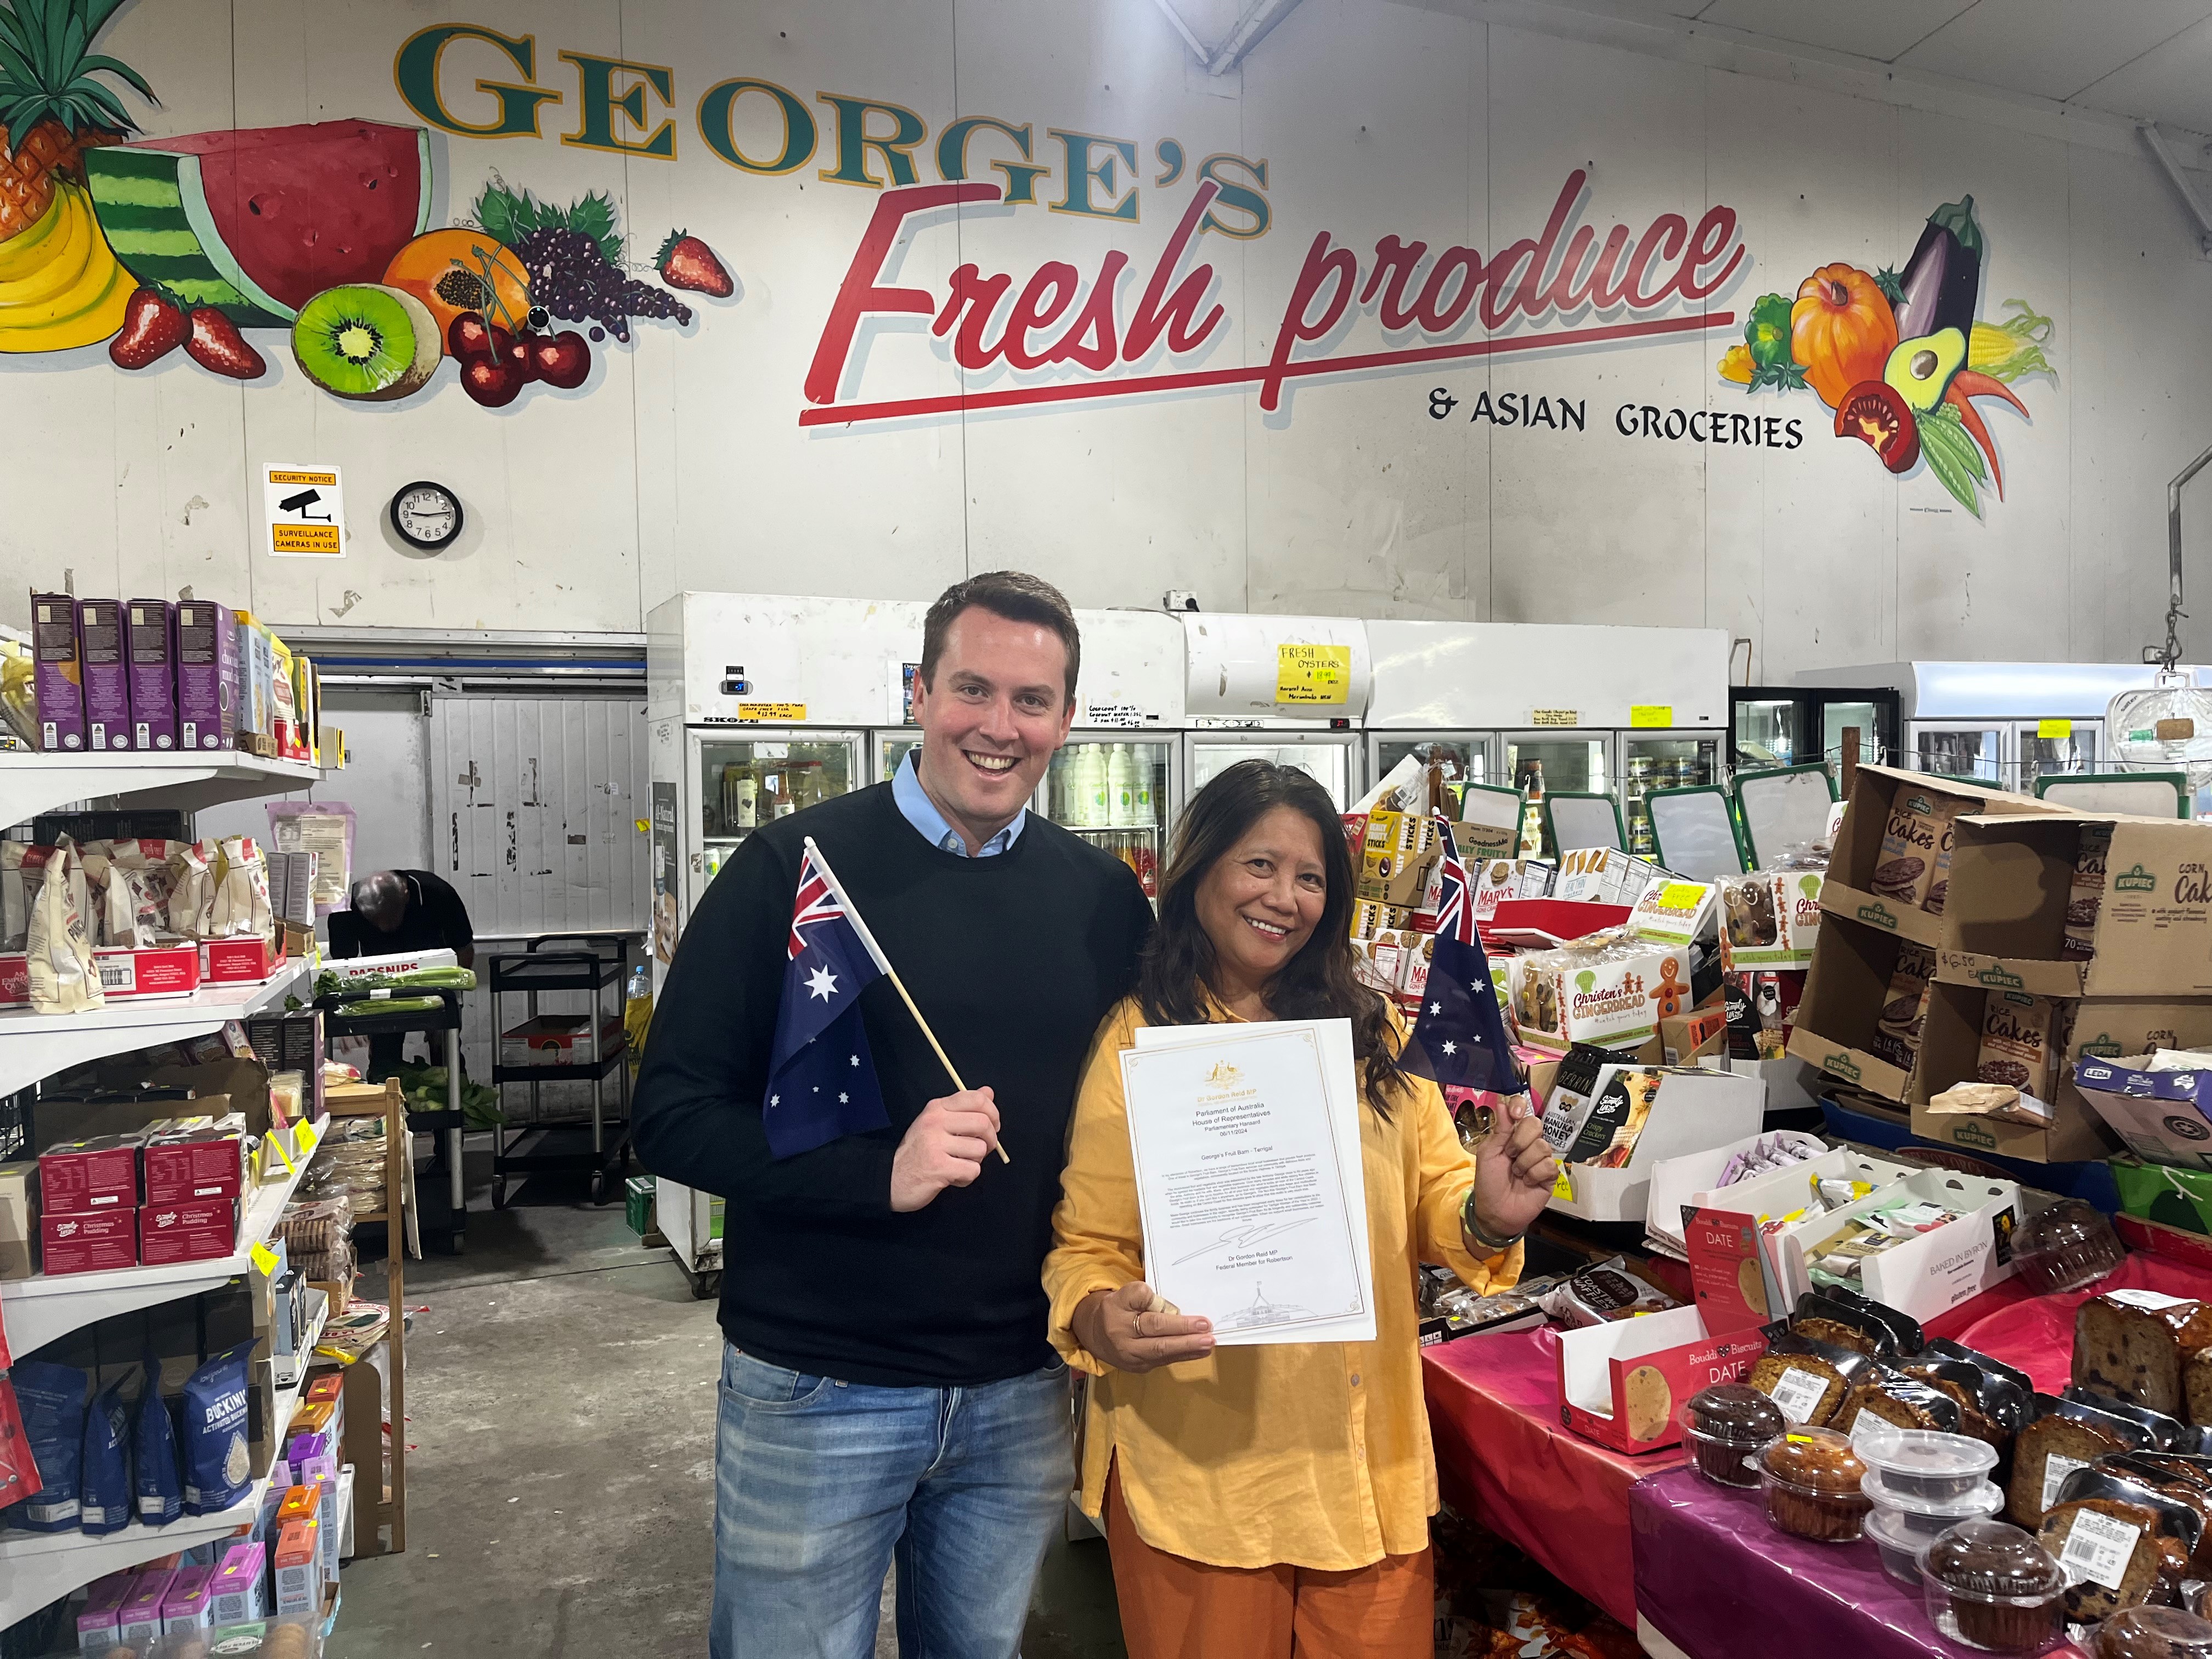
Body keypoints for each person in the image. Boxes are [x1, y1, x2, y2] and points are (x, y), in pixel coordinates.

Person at [632, 571, 1155, 1659]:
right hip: (820, 1384)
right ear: (919, 691)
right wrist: (875, 1171)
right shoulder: (792, 868)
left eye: (1031, 701)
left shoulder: (1103, 898)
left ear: (1067, 719)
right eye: (973, 689)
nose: (998, 727)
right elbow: (671, 1118)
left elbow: (1155, 1103)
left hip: (1023, 1384)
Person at [1042, 759, 1559, 1659]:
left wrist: (1491, 1213)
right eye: (1259, 865)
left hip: (1365, 1468)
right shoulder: (1139, 1039)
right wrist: (1099, 1314)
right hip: (1199, 1476)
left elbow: (1438, 1199)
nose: (1285, 896)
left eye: (1311, 875)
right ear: (1198, 868)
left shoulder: (1375, 1034)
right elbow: (1087, 1244)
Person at [335, 868, 476, 1078]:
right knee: (384, 1058)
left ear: (406, 893)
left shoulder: (437, 893)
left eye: (392, 918)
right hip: (382, 990)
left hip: (434, 984)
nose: (385, 928)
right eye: (376, 921)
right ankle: (386, 1103)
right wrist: (346, 1013)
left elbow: (464, 949)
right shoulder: (346, 906)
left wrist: (452, 1000)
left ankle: (456, 1104)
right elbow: (341, 966)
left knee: (447, 1054)